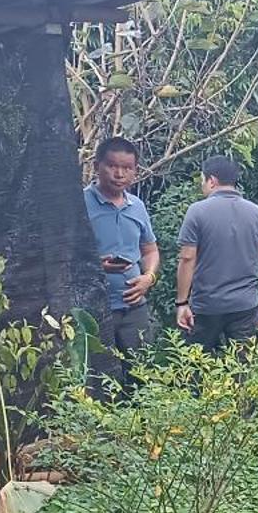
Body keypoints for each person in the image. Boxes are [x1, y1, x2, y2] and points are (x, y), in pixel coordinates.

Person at [174, 155, 258, 352]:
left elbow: (187, 258)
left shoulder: (196, 211)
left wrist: (182, 302)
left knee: (196, 368)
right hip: (245, 306)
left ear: (211, 180)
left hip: (206, 306)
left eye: (202, 180)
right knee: (241, 369)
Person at [83, 137, 160, 379]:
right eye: (112, 166)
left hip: (134, 308)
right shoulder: (81, 203)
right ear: (97, 166)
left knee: (142, 375)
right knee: (98, 378)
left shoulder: (137, 206)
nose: (119, 174)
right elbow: (64, 253)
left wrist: (149, 277)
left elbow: (150, 250)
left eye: (127, 168)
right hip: (94, 307)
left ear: (135, 171)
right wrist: (96, 265)